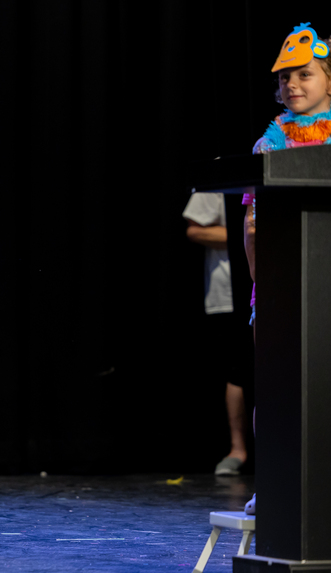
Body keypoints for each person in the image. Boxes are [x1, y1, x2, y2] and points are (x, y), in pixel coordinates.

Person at [242, 22, 331, 515]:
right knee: (276, 385)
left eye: (305, 75)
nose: (292, 85)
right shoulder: (268, 144)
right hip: (280, 281)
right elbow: (251, 221)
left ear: (329, 80)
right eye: (284, 79)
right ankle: (273, 479)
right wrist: (259, 272)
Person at [182, 193, 250, 475]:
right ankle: (238, 448)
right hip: (229, 292)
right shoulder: (221, 185)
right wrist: (241, 235)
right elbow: (195, 228)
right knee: (239, 368)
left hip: (275, 284)